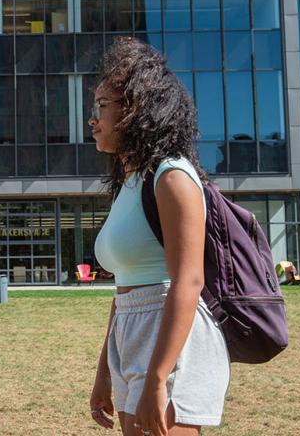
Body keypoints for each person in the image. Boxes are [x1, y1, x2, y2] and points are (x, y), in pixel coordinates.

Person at [87, 37, 230, 436]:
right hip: (131, 333)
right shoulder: (130, 182)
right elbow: (124, 290)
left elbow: (189, 281)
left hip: (170, 337)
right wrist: (105, 371)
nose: (93, 119)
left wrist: (157, 378)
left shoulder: (172, 176)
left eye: (102, 106)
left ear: (135, 110)